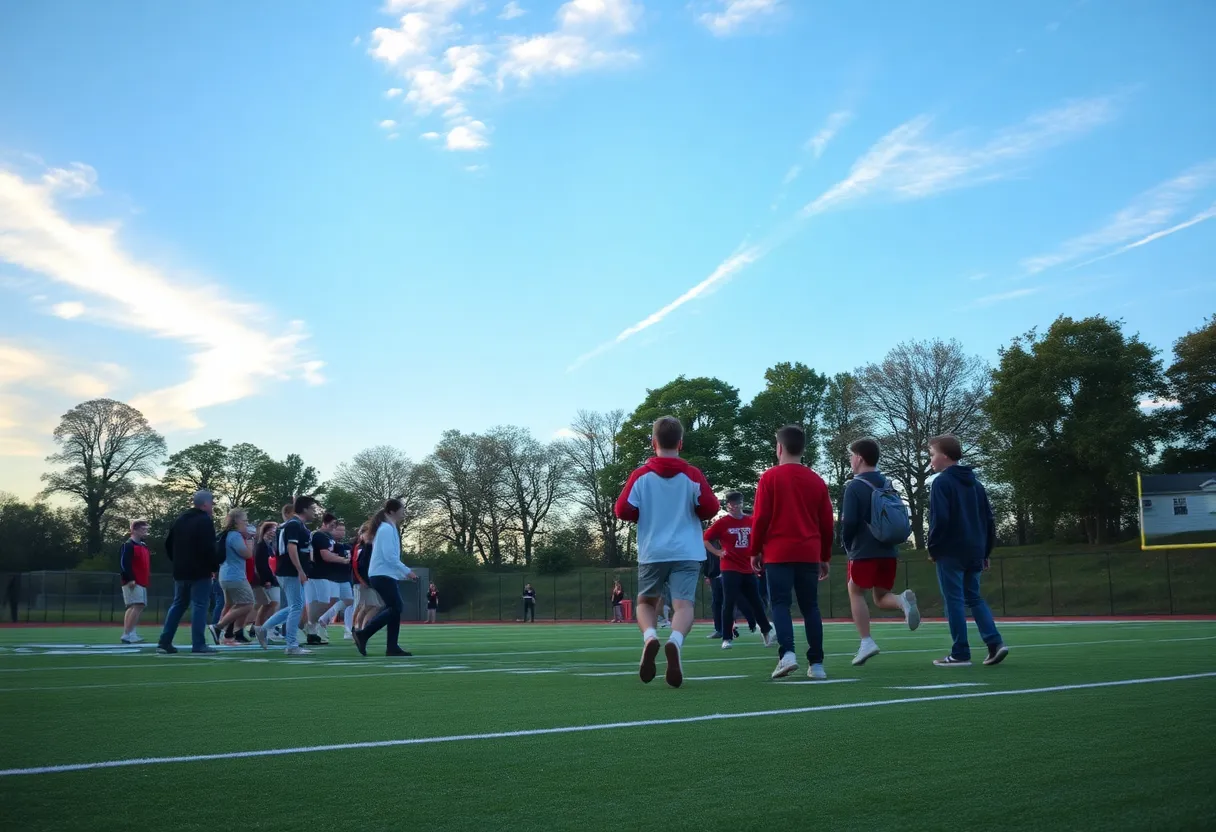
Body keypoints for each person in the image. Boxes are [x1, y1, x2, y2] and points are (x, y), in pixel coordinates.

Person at [615, 416, 720, 688]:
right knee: (683, 605)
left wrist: (645, 512)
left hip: (653, 550)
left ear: (654, 443)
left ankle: (650, 637)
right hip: (687, 551)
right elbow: (709, 507)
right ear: (680, 443)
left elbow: (622, 510)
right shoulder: (692, 474)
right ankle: (675, 641)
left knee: (645, 604)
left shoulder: (640, 475)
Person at [751, 425, 834, 680]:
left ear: (779, 447)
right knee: (811, 607)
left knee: (780, 604)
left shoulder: (769, 478)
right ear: (803, 449)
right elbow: (827, 522)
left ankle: (787, 654)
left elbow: (761, 517)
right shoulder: (816, 480)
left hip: (778, 553)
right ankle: (817, 664)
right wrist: (825, 555)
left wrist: (754, 550)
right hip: (809, 553)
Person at [927, 434, 1009, 668]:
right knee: (973, 597)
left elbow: (939, 520)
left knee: (953, 599)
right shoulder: (976, 484)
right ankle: (995, 643)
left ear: (943, 456)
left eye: (932, 455)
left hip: (951, 551)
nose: (931, 460)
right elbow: (988, 520)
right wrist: (985, 552)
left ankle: (960, 652)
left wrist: (933, 547)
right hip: (975, 550)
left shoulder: (941, 483)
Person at [841, 438, 922, 665]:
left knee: (855, 592)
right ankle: (901, 601)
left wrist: (846, 544)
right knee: (880, 597)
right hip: (888, 549)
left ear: (859, 458)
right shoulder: (887, 484)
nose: (850, 459)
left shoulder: (855, 486)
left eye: (851, 455)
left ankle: (866, 641)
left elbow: (850, 522)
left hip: (864, 550)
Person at [704, 491, 774, 650]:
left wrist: (759, 554)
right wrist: (718, 553)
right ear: (727, 505)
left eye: (737, 503)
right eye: (731, 504)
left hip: (748, 568)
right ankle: (727, 637)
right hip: (729, 568)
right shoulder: (722, 523)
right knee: (728, 602)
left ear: (742, 504)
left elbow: (762, 538)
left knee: (756, 601)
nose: (734, 507)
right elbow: (706, 538)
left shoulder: (751, 520)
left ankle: (766, 632)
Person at [157, 491, 221, 655]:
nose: (213, 507)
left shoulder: (180, 519)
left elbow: (168, 543)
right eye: (212, 503)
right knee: (200, 605)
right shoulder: (204, 521)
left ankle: (165, 641)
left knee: (178, 604)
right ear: (205, 504)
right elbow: (209, 547)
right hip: (200, 570)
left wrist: (177, 562)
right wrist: (214, 567)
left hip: (181, 570)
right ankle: (198, 644)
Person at [255, 495, 321, 655]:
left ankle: (264, 628)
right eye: (312, 508)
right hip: (290, 571)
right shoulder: (294, 525)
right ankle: (291, 644)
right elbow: (291, 548)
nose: (314, 512)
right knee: (296, 606)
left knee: (294, 606)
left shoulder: (294, 525)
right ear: (304, 509)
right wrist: (300, 570)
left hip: (289, 571)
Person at [353, 498, 419, 657]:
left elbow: (389, 556)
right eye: (402, 509)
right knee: (396, 607)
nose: (404, 512)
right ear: (392, 511)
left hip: (384, 574)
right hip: (382, 574)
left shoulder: (388, 528)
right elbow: (389, 556)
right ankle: (364, 633)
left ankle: (392, 646)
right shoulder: (386, 529)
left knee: (394, 609)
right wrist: (406, 571)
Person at [212, 509, 256, 647]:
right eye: (245, 520)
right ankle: (218, 627)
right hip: (235, 576)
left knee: (230, 605)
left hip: (226, 575)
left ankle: (226, 636)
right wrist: (249, 540)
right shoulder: (235, 536)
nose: (246, 523)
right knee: (248, 603)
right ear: (237, 521)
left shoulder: (226, 535)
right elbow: (247, 554)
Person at [318, 521, 356, 639]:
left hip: (345, 578)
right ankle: (319, 623)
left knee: (350, 601)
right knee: (330, 601)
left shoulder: (346, 546)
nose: (342, 533)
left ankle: (347, 630)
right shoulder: (329, 544)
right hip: (331, 577)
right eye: (339, 530)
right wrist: (342, 559)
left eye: (343, 530)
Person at [118, 520, 151, 644]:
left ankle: (130, 632)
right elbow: (124, 563)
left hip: (141, 580)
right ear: (135, 530)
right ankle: (127, 633)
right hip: (133, 580)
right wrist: (130, 578)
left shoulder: (142, 545)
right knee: (138, 605)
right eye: (143, 529)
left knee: (134, 606)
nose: (145, 532)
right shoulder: (128, 545)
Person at [351, 522, 382, 632]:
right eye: (368, 534)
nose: (371, 536)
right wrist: (362, 580)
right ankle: (357, 628)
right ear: (361, 535)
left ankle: (361, 628)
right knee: (363, 606)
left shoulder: (370, 547)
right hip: (361, 581)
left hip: (367, 581)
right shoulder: (361, 548)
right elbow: (359, 566)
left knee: (369, 605)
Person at [252, 521, 280, 634]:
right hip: (267, 579)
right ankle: (261, 626)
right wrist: (266, 580)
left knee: (272, 604)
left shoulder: (270, 545)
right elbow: (260, 564)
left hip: (273, 578)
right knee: (271, 604)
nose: (272, 533)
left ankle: (261, 626)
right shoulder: (261, 545)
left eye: (274, 530)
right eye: (270, 530)